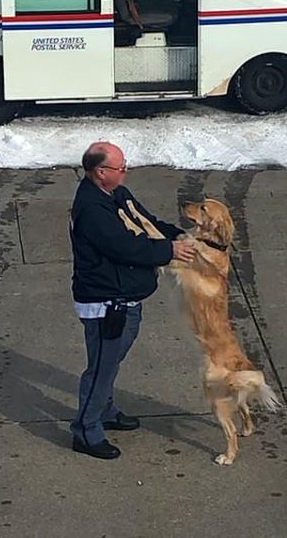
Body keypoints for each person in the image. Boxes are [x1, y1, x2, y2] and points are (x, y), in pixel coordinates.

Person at [68, 141, 196, 459]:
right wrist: (170, 251)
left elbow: (147, 224)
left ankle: (106, 411)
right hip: (106, 305)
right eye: (120, 167)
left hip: (125, 301)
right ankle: (86, 430)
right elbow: (125, 247)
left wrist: (178, 236)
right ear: (100, 172)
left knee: (110, 363)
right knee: (101, 367)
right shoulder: (92, 208)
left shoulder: (117, 194)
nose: (126, 171)